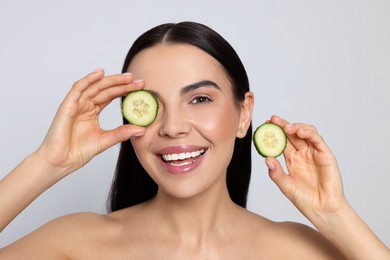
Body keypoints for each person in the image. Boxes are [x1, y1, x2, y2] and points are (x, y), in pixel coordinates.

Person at [0, 21, 388, 259]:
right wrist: (47, 163)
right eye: (149, 104)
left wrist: (335, 214)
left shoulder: (298, 251)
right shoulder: (76, 244)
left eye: (199, 99)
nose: (172, 127)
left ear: (244, 113)